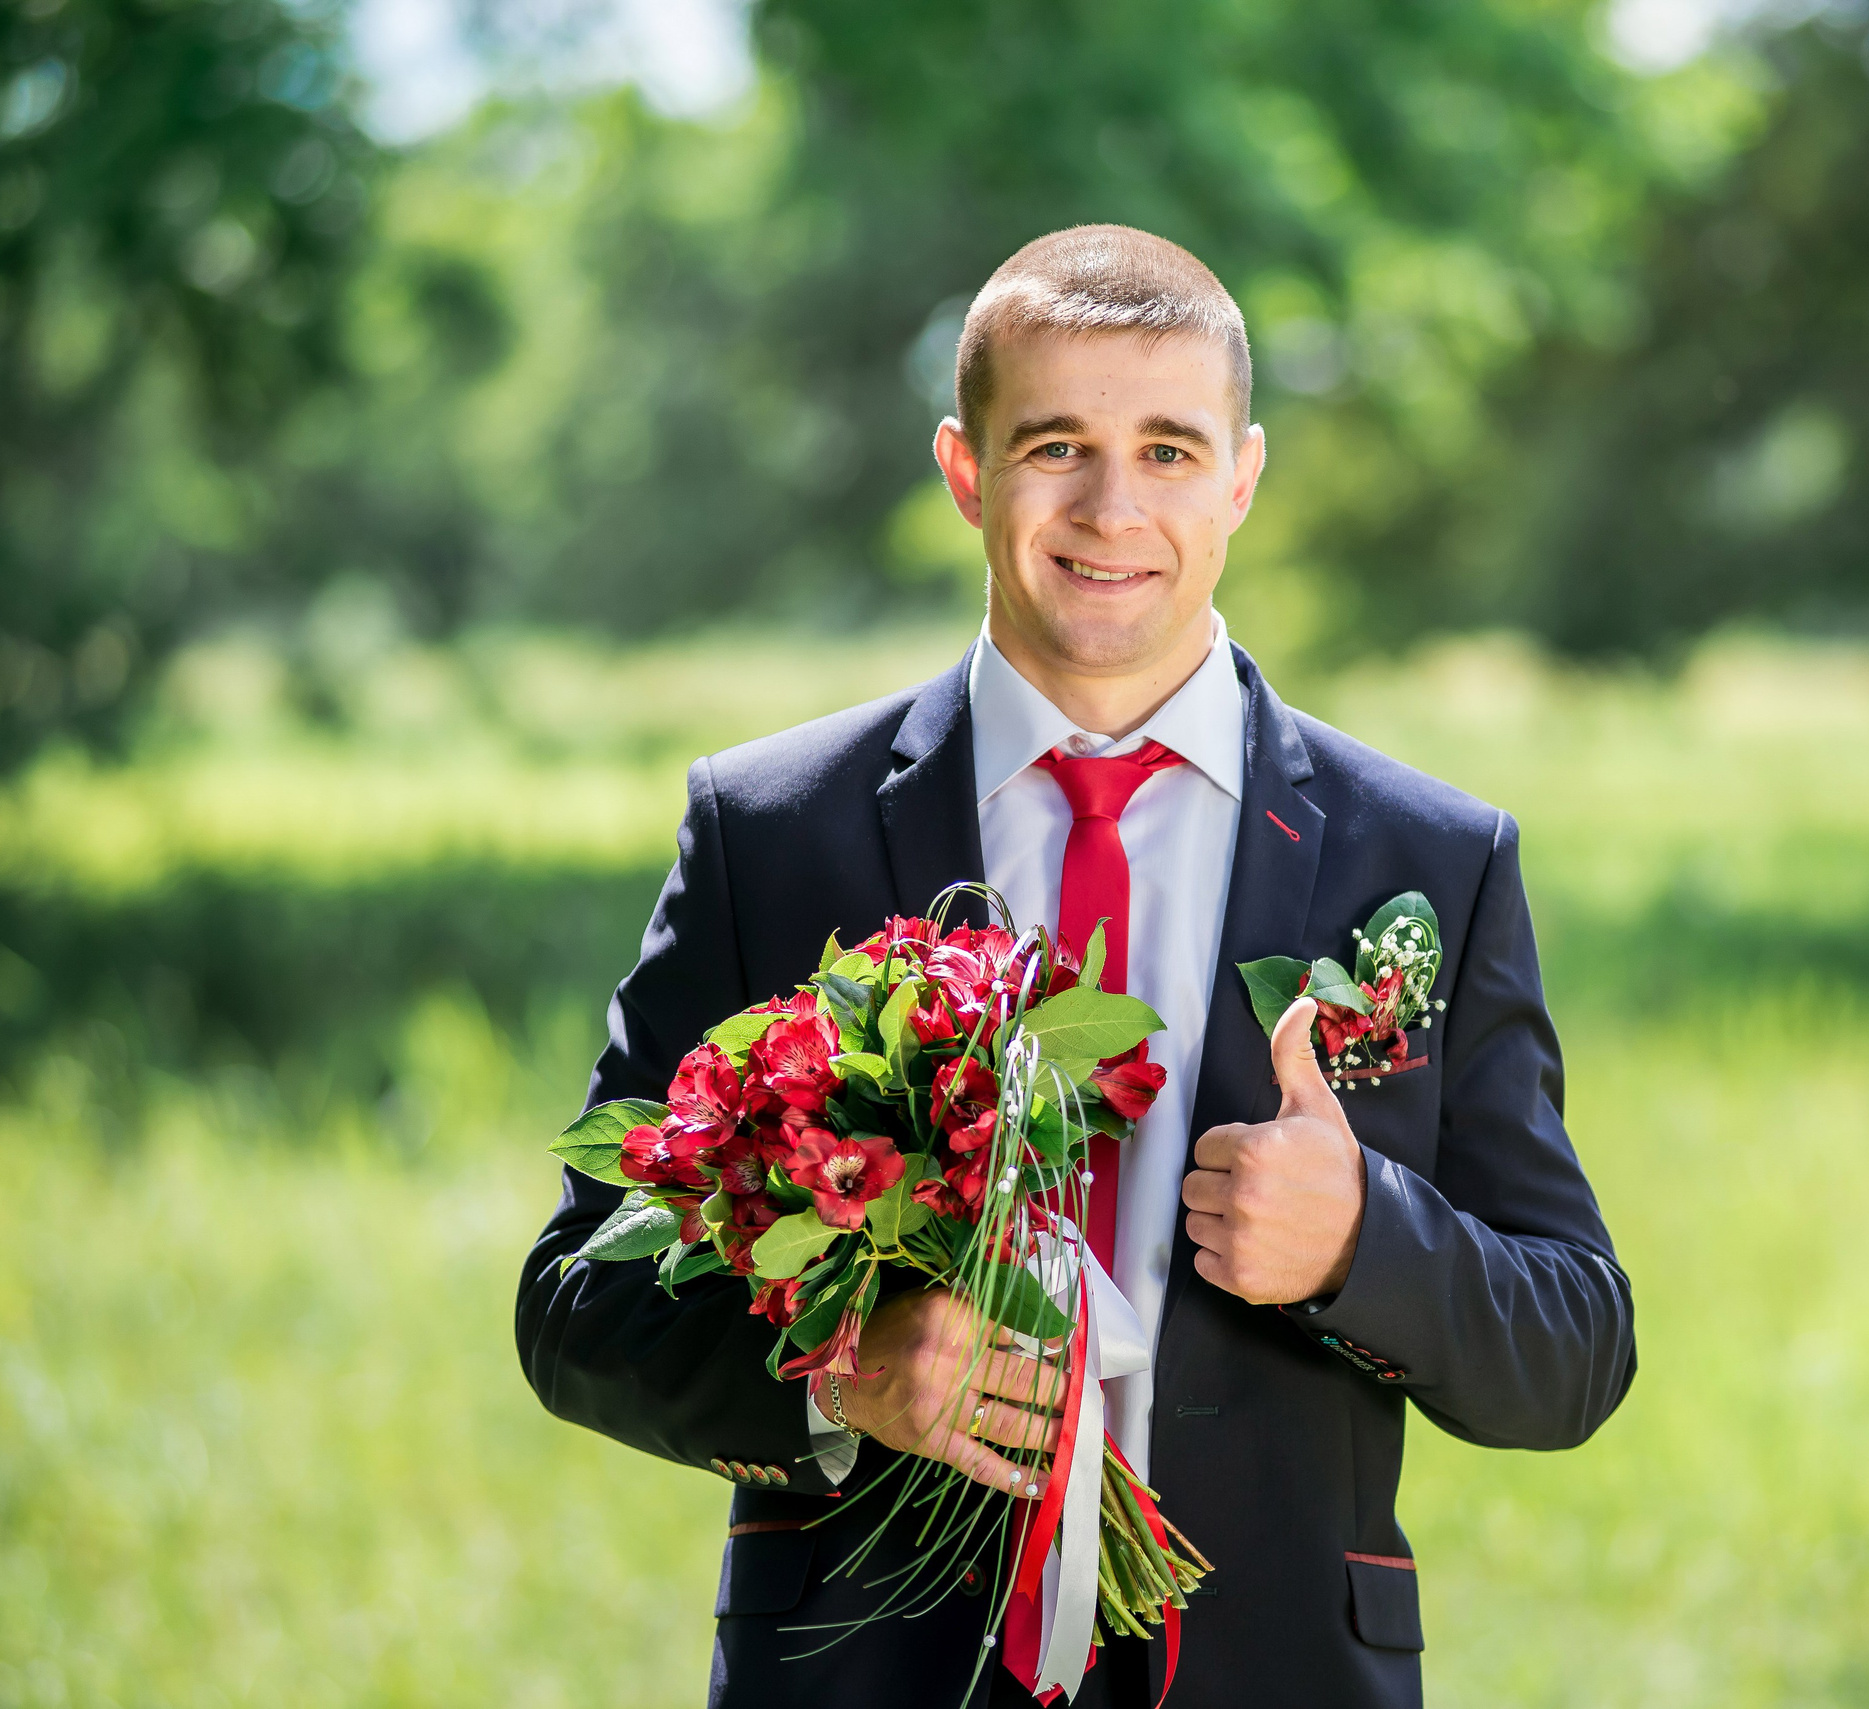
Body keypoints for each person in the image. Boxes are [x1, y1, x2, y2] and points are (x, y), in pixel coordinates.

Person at [516, 224, 1636, 1708]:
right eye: (1056, 445)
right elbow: (577, 1300)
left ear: (1242, 477)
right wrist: (839, 1375)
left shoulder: (1430, 858)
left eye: (1169, 451)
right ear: (966, 469)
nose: (1114, 507)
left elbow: (1574, 1343)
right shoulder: (770, 833)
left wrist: (1370, 1236)